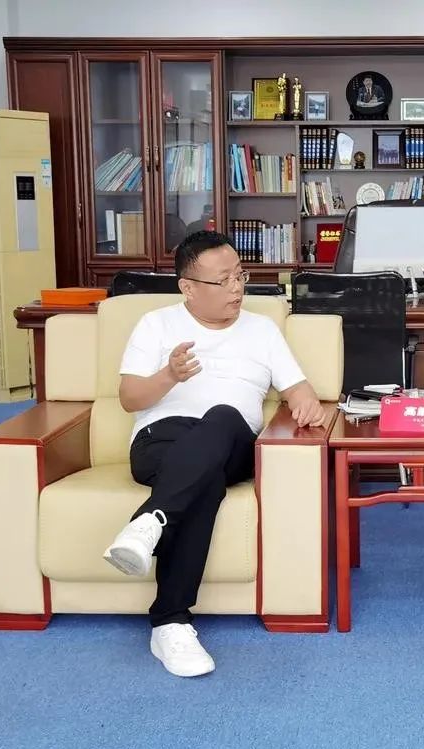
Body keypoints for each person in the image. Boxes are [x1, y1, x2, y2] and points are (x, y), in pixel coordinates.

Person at [103, 230, 328, 678]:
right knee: (202, 482)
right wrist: (169, 375)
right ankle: (170, 624)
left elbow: (300, 390)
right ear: (187, 287)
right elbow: (129, 398)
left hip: (234, 445)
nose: (237, 288)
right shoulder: (156, 324)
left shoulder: (262, 330)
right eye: (223, 280)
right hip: (161, 442)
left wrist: (306, 404)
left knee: (222, 416)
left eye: (240, 276)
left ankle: (150, 521)